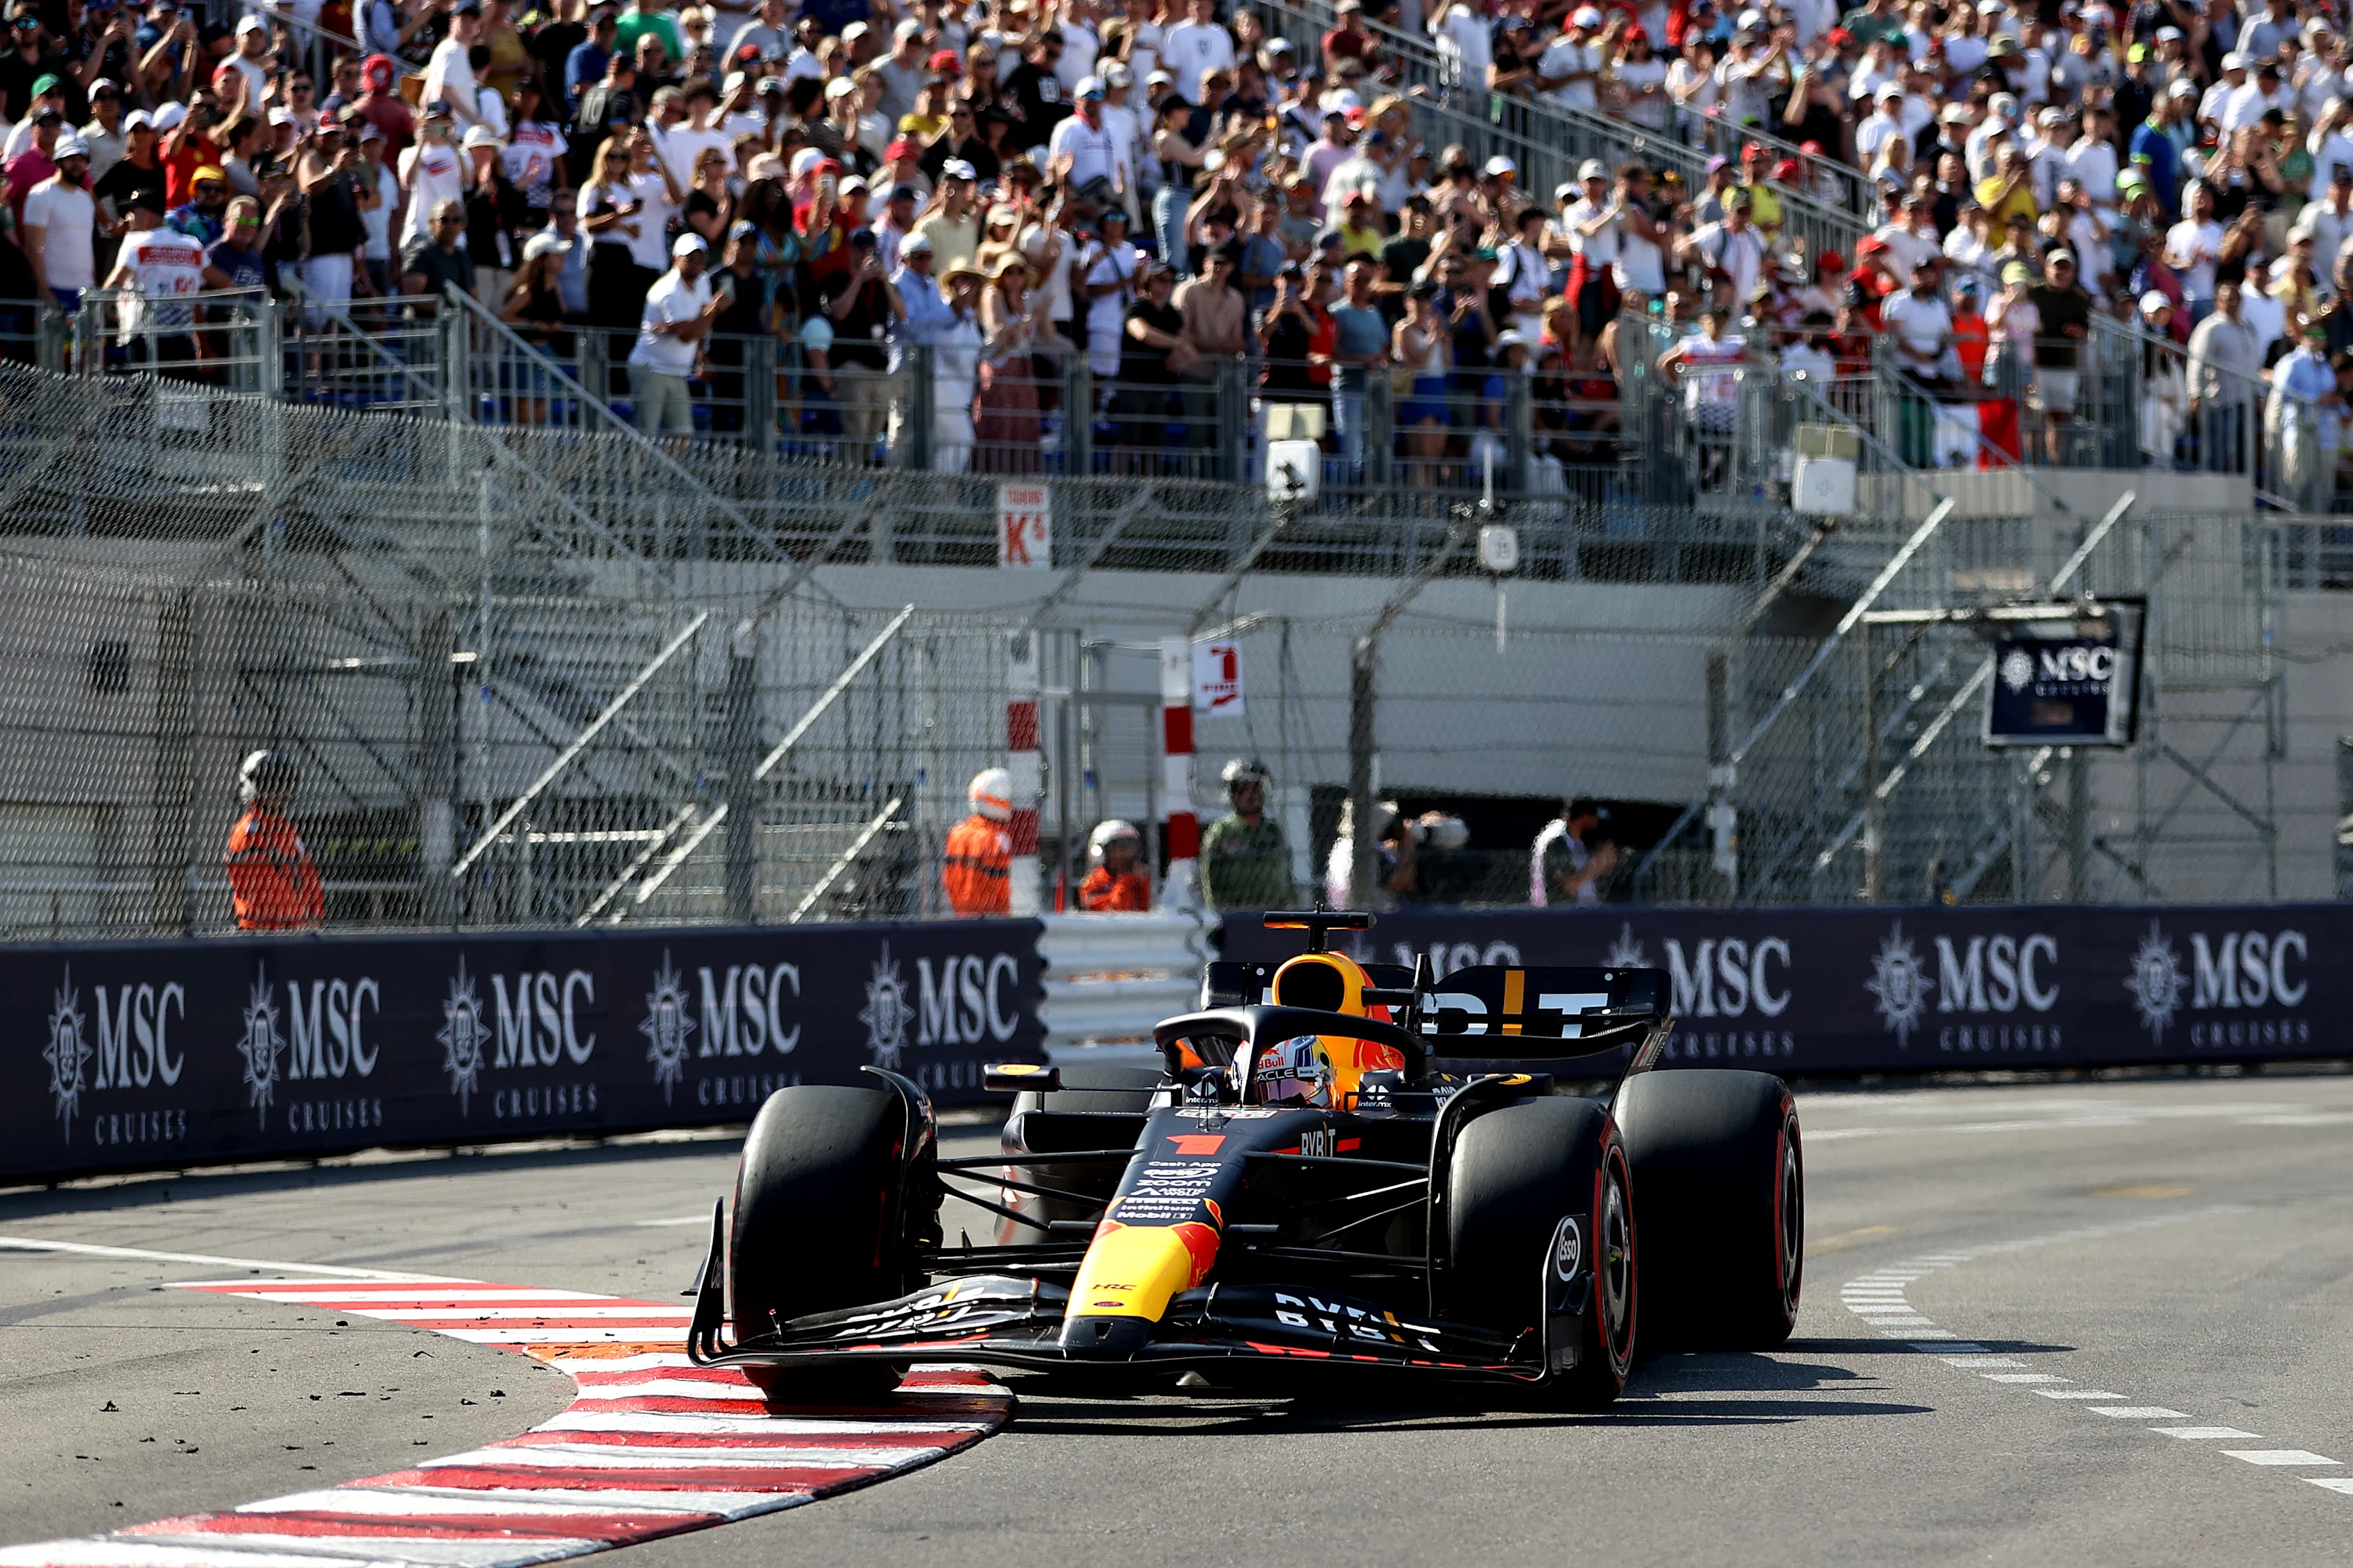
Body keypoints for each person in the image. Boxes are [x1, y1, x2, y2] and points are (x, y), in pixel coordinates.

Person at [628, 230, 721, 437]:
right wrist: (712, 312)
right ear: (675, 259)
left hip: (677, 372)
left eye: (700, 259)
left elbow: (698, 325)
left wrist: (702, 357)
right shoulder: (667, 290)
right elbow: (687, 335)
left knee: (683, 435)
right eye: (690, 258)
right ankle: (637, 461)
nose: (696, 264)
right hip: (651, 369)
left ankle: (663, 462)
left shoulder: (703, 281)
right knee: (645, 434)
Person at [224, 748, 324, 932]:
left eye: (283, 785)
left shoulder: (288, 830)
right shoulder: (247, 832)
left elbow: (309, 875)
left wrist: (314, 915)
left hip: (296, 928)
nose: (279, 792)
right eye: (270, 786)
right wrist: (298, 917)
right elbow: (263, 888)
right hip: (261, 930)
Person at [1198, 757, 1290, 911]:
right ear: (1232, 793)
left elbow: (1287, 874)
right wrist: (1217, 912)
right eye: (1243, 789)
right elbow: (1208, 877)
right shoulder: (1221, 831)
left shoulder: (1273, 832)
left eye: (1255, 789)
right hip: (1234, 914)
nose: (1250, 795)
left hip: (1271, 912)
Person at [944, 766, 1013, 915]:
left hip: (962, 913)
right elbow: (1005, 886)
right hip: (997, 917)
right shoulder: (998, 839)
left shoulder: (957, 833)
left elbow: (949, 880)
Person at [1530, 797, 1614, 906]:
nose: (1597, 823)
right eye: (1594, 817)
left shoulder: (1584, 843)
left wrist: (1608, 863)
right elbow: (1569, 886)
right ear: (1584, 817)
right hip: (1565, 911)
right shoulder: (1557, 845)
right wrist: (1596, 866)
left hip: (1592, 909)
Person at [1077, 818, 1151, 911]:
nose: (1127, 853)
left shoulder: (1141, 878)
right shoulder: (1094, 882)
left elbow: (1150, 908)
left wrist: (1143, 881)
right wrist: (1126, 880)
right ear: (1103, 852)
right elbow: (1116, 908)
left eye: (1131, 847)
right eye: (1120, 847)